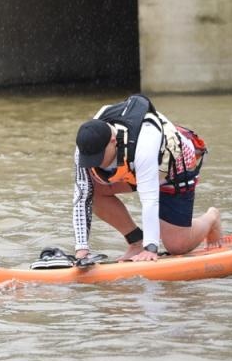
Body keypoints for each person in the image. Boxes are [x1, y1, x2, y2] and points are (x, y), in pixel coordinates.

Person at [69, 93, 220, 265]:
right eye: (90, 159)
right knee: (92, 189)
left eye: (98, 157)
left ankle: (211, 218)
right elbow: (81, 196)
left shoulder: (144, 143)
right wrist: (81, 250)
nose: (93, 163)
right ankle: (135, 242)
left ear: (113, 141)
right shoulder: (86, 145)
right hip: (134, 171)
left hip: (174, 167)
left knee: (177, 245)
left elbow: (149, 199)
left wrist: (151, 248)